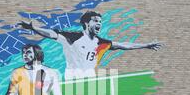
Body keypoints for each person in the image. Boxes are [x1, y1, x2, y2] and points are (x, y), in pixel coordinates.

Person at [20, 11, 164, 80]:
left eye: (100, 21)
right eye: (96, 21)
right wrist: (34, 28)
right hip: (73, 79)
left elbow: (123, 45)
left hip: (90, 79)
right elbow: (50, 33)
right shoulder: (72, 37)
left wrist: (145, 45)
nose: (99, 24)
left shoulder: (102, 43)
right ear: (86, 23)